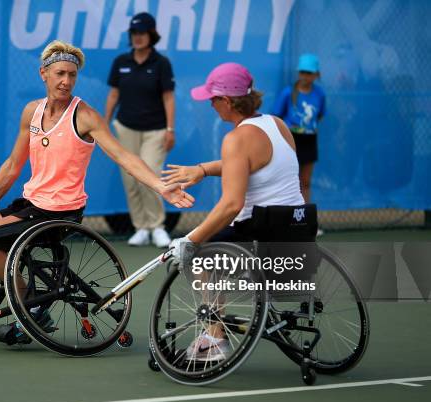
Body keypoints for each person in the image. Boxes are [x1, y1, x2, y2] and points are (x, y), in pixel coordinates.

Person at [0, 40, 194, 345]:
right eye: (60, 74)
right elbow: (13, 165)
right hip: (29, 204)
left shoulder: (85, 116)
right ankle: (30, 299)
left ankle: (32, 307)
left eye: (72, 75)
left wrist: (160, 186)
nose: (66, 81)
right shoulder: (31, 112)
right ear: (44, 74)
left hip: (60, 211)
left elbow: (124, 156)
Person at [163, 63, 314, 361]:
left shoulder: (235, 139)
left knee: (201, 253)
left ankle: (215, 338)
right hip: (299, 228)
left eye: (213, 98)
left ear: (228, 102)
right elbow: (254, 162)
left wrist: (190, 240)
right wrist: (204, 170)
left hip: (263, 235)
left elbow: (231, 204)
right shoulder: (277, 125)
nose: (210, 104)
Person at [104, 12, 176, 248]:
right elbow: (114, 94)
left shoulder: (161, 63)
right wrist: (104, 124)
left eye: (142, 33)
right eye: (134, 33)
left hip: (155, 131)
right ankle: (141, 227)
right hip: (125, 128)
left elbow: (168, 98)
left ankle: (157, 227)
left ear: (151, 35)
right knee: (131, 179)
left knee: (150, 177)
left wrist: (170, 129)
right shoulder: (120, 62)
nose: (138, 37)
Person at [273, 53, 325, 205]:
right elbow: (277, 115)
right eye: (302, 72)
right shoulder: (288, 92)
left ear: (316, 74)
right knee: (289, 181)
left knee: (305, 181)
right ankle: (288, 217)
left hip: (309, 140)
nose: (305, 76)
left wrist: (307, 128)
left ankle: (305, 220)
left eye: (309, 73)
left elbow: (320, 114)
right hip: (290, 140)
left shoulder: (319, 93)